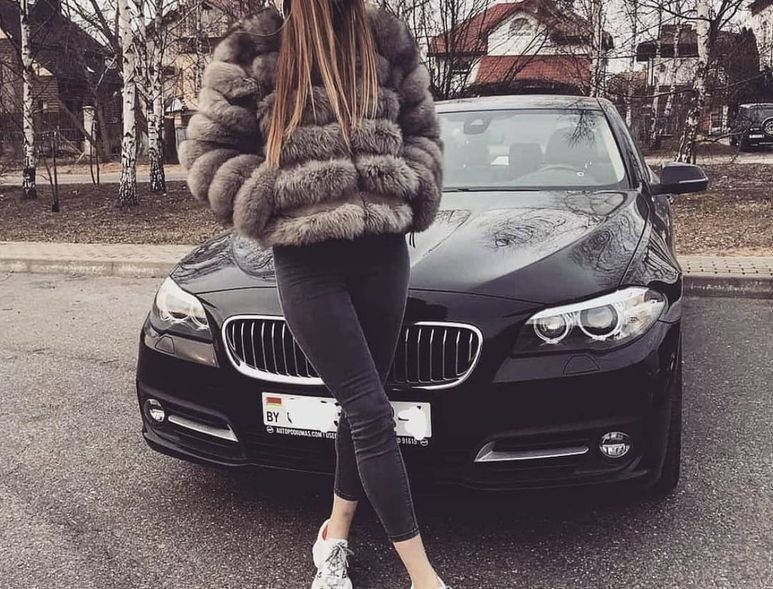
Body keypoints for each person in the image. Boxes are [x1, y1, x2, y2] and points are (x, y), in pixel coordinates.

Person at [178, 0, 445, 588]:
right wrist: (275, 198)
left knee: (362, 407)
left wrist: (412, 185)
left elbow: (422, 130)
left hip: (383, 255)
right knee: (372, 412)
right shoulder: (255, 49)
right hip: (309, 262)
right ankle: (424, 578)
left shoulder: (385, 39)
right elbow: (208, 156)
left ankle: (334, 537)